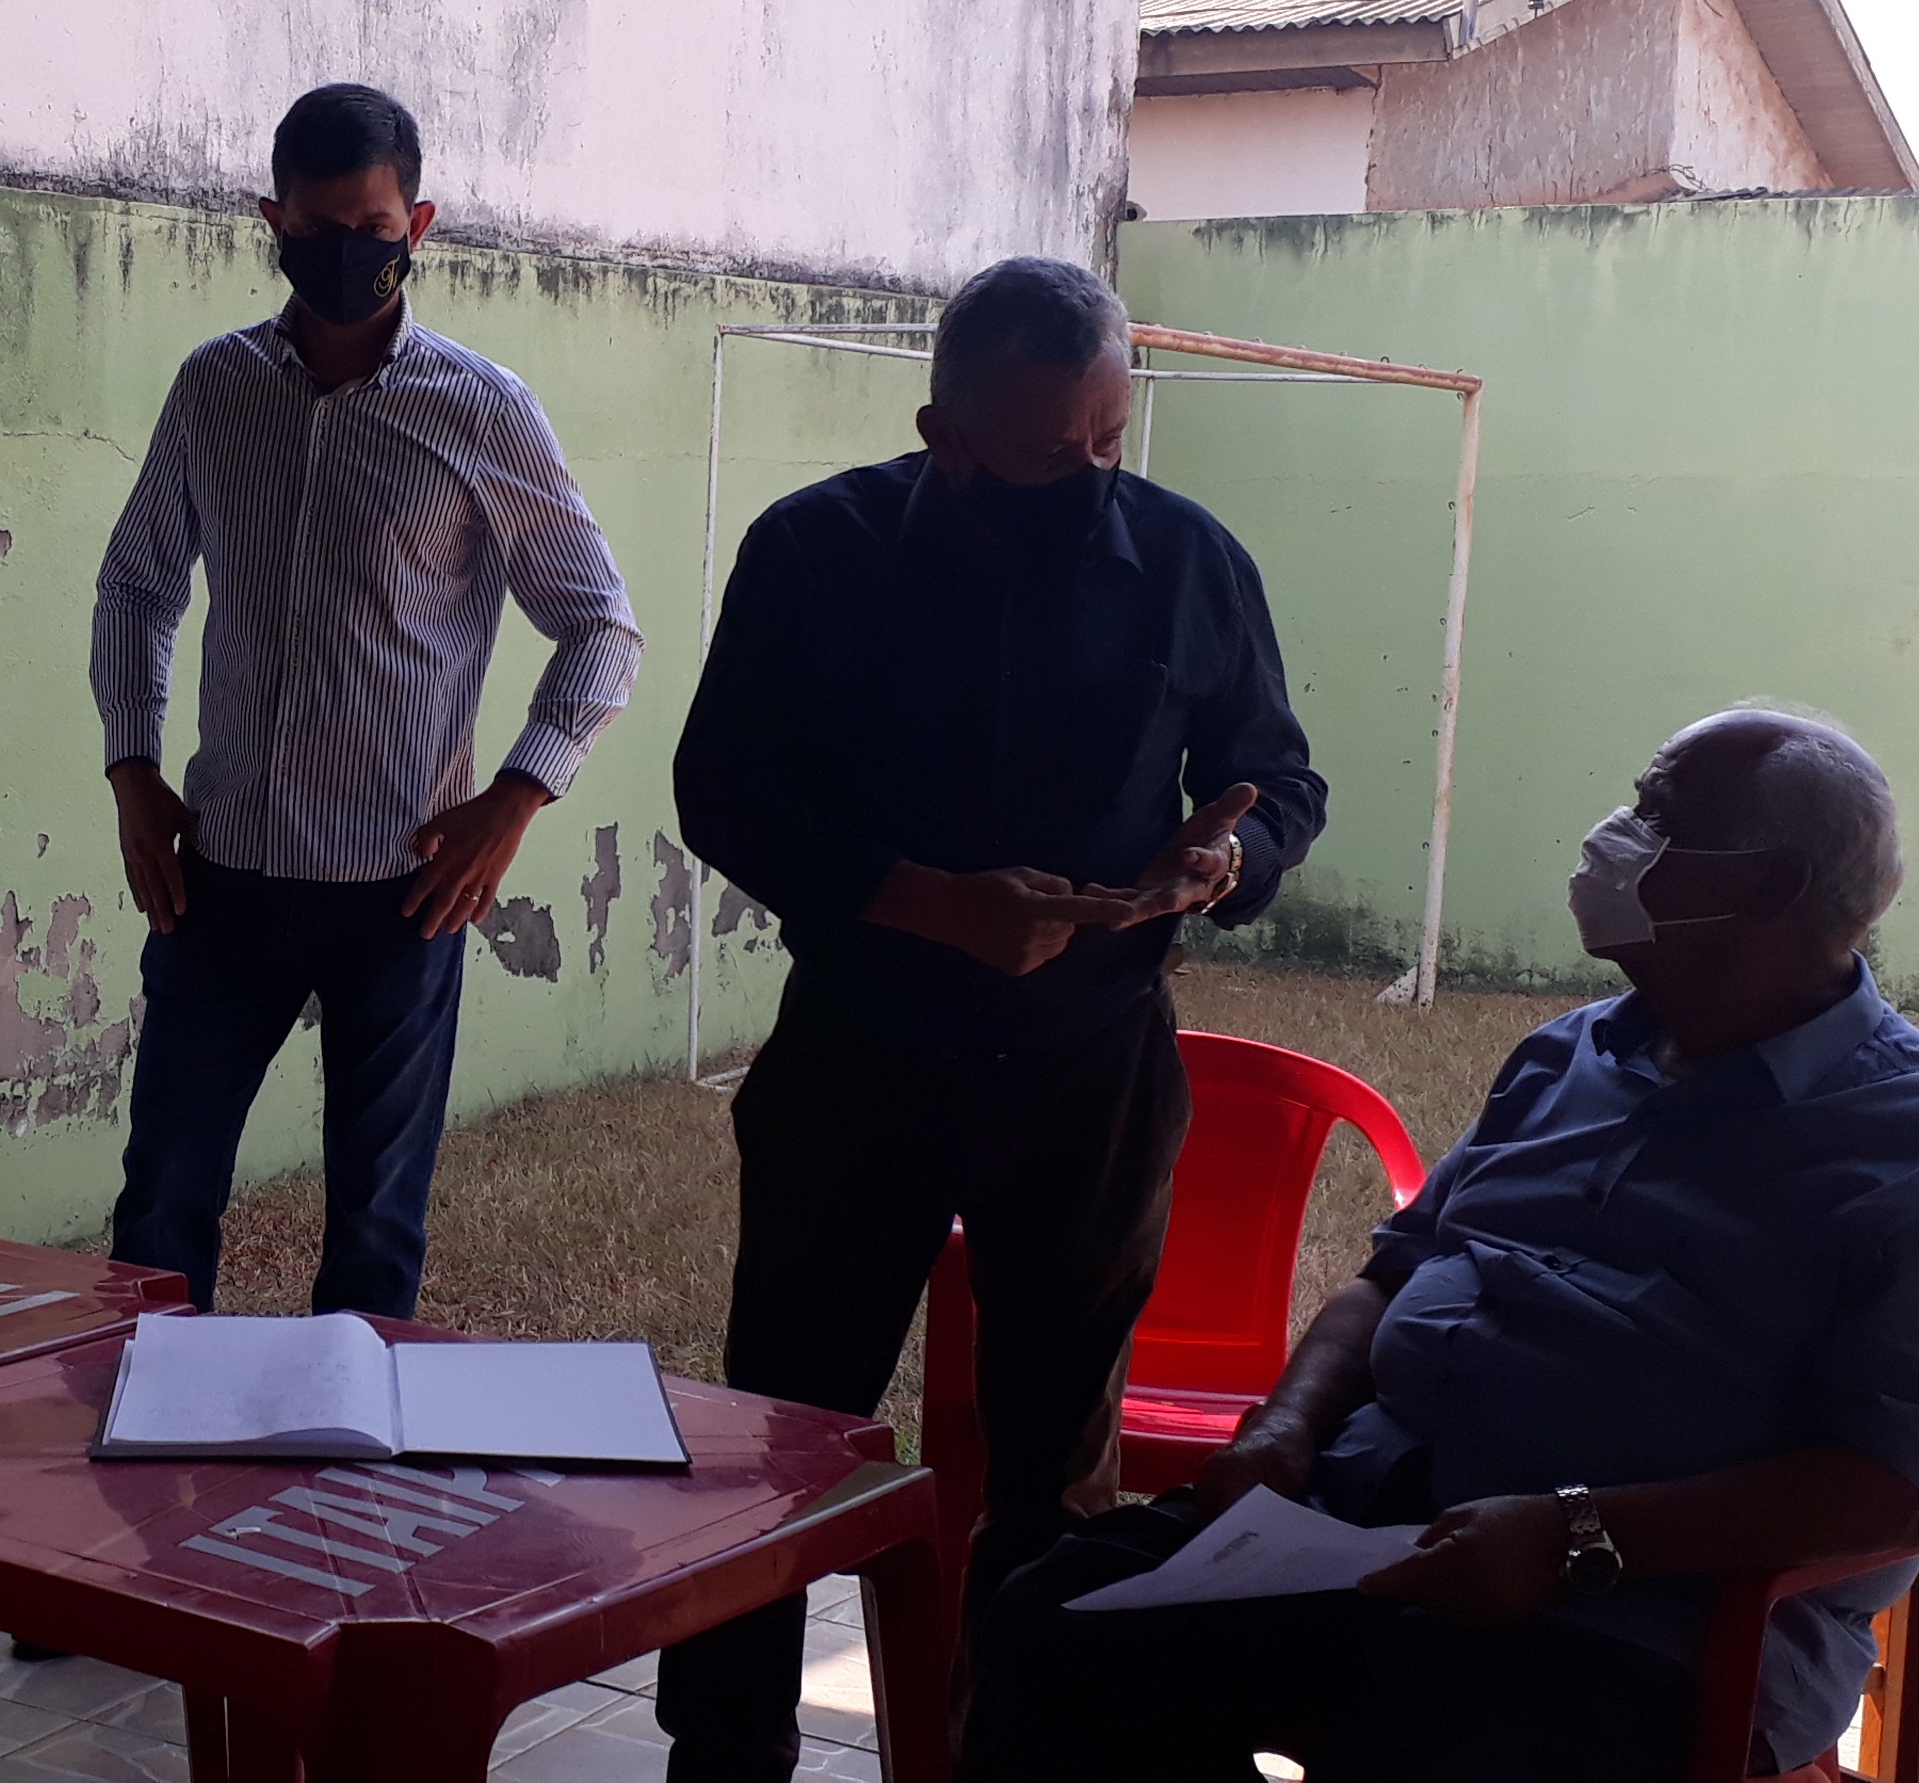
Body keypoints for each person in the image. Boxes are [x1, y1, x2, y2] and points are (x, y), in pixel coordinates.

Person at [964, 707, 1919, 1781]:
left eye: (1659, 815)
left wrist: (1569, 1537)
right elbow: (1394, 1271)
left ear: (1773, 885)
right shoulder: (1568, 1054)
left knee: (1432, 1732)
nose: (1615, 835)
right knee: (1052, 1619)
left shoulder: (1893, 1145)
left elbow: (1887, 1484)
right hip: (1355, 1523)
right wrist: (1284, 1424)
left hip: (1634, 1611)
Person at [662, 256, 1330, 1778]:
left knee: (1055, 1463)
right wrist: (926, 901)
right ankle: (725, 1750)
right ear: (945, 435)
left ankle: (1021, 1758)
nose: (1091, 475)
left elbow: (1278, 774)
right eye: (1048, 452)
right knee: (782, 1438)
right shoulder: (815, 550)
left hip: (1091, 1073)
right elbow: (726, 790)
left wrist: (1225, 860)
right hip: (862, 1051)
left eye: (1110, 437)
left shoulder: (1187, 558)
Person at [91, 82, 643, 1320]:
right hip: (220, 871)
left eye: (374, 228)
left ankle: (348, 1445)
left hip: (402, 885)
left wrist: (516, 796)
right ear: (273, 221)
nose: (347, 252)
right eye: (317, 228)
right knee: (162, 1200)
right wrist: (132, 770)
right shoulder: (214, 388)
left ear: (419, 224)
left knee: (375, 1226)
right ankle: (147, 1425)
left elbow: (600, 624)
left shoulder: (481, 409)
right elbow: (137, 585)